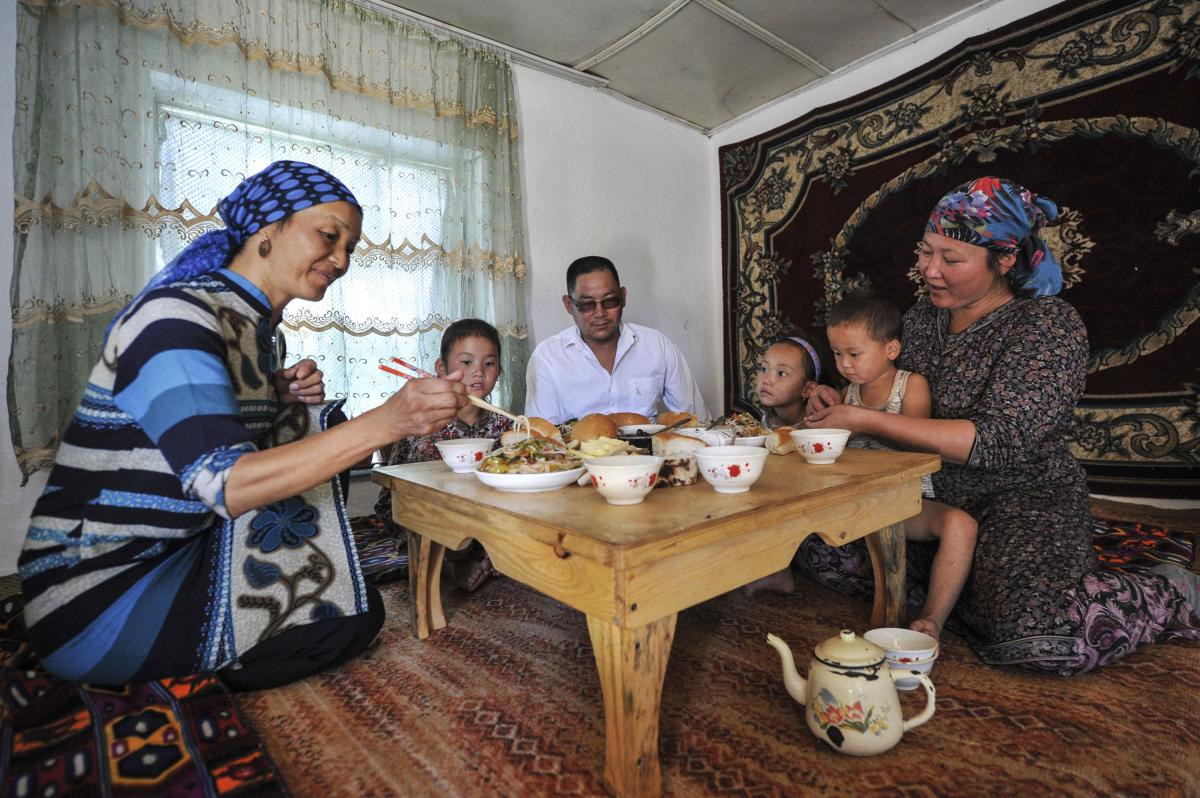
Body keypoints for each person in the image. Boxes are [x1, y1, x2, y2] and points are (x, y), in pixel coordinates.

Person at [18, 161, 468, 690]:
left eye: (350, 246)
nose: (341, 259)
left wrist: (275, 397)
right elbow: (226, 481)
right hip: (97, 594)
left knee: (347, 591)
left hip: (178, 549)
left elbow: (191, 428)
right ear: (265, 230)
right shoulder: (176, 318)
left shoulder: (249, 327)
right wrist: (390, 421)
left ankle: (208, 647)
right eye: (328, 236)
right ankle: (194, 675)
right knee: (350, 619)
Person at [802, 176, 1198, 672]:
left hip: (1021, 496)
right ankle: (973, 592)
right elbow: (887, 377)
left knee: (1037, 632)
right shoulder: (924, 318)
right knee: (820, 551)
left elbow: (997, 442)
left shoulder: (1047, 325)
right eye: (926, 252)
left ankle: (1169, 590)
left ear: (1005, 260)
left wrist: (862, 420)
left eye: (951, 259)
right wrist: (840, 397)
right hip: (931, 496)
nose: (929, 270)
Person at [824, 290, 977, 642]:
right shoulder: (848, 392)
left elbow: (916, 444)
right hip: (854, 500)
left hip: (902, 502)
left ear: (890, 350)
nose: (844, 364)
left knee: (961, 525)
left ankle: (931, 619)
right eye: (836, 354)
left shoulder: (910, 386)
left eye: (854, 354)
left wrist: (862, 420)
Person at [374, 318, 513, 592]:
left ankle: (481, 551)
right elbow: (410, 492)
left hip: (480, 510)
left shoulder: (505, 424)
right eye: (466, 363)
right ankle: (453, 561)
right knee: (435, 525)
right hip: (419, 509)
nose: (479, 373)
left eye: (489, 363)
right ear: (441, 367)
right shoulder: (426, 421)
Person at [524, 256, 709, 423]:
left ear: (623, 297)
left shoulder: (656, 345)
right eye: (587, 304)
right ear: (569, 305)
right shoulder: (548, 357)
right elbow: (542, 437)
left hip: (648, 457)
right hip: (576, 458)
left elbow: (696, 421)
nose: (600, 313)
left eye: (610, 301)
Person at [755, 333, 822, 429]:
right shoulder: (767, 421)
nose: (767, 380)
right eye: (764, 369)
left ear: (807, 389)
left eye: (781, 373)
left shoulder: (817, 426)